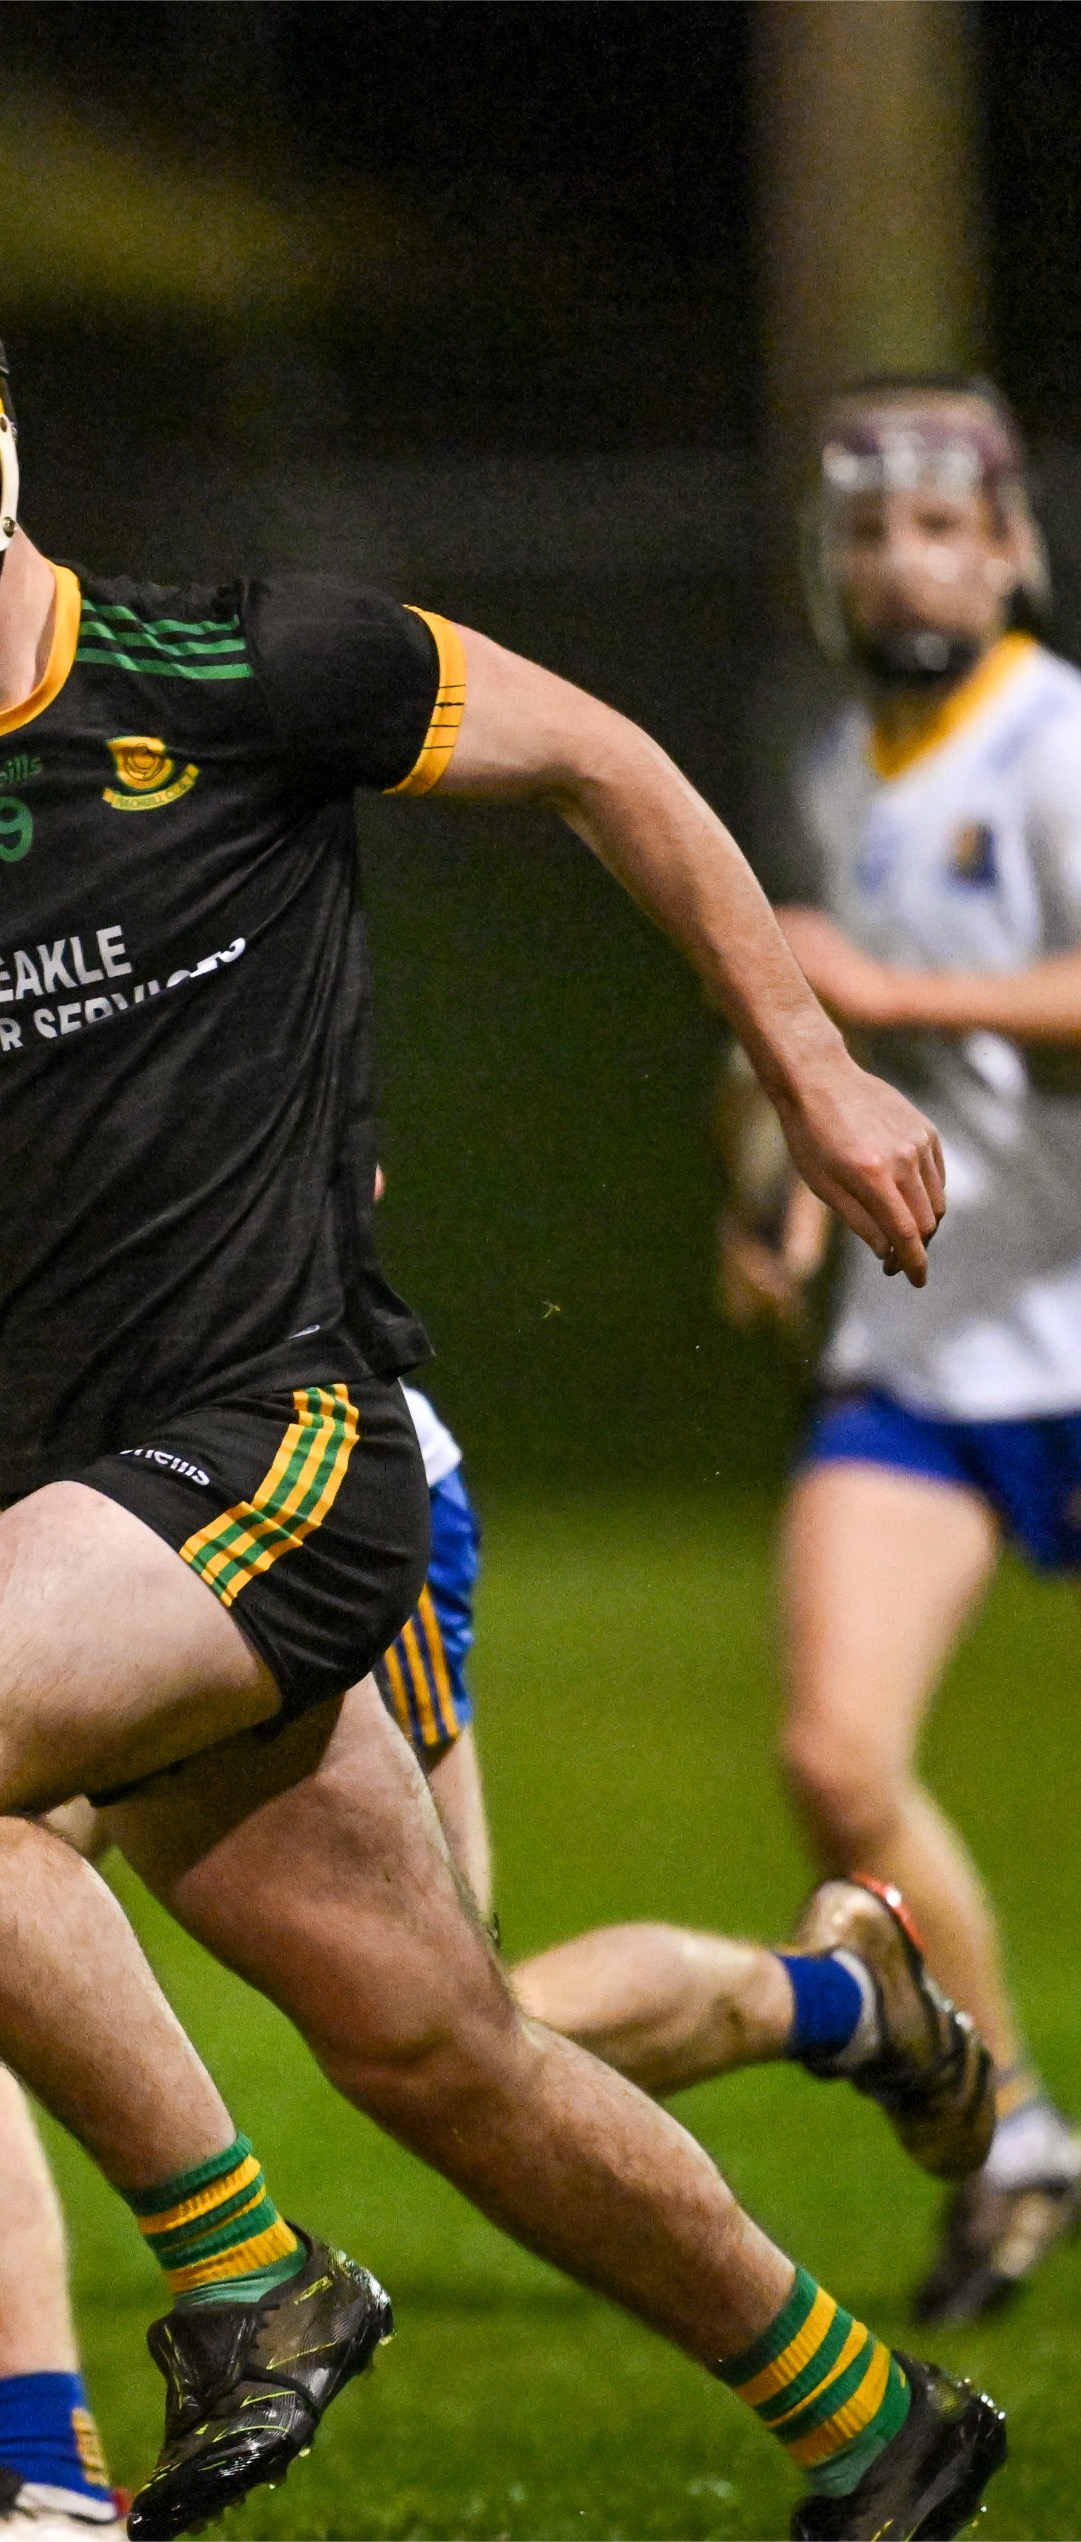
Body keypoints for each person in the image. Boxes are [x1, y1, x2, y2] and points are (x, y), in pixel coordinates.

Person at [0, 255, 998, 2541]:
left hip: (283, 1440)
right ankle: (876, 2429)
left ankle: (248, 2279)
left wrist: (809, 1059)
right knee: (443, 2051)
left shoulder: (252, 668)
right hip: (99, 1482)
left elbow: (607, 759)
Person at [720, 373, 1081, 2328]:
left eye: (939, 527)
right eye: (865, 531)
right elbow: (816, 1040)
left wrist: (880, 987)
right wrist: (773, 1180)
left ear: (1007, 549)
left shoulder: (1050, 738)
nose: (900, 562)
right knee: (830, 1754)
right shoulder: (837, 766)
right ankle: (1013, 2129)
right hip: (923, 1334)